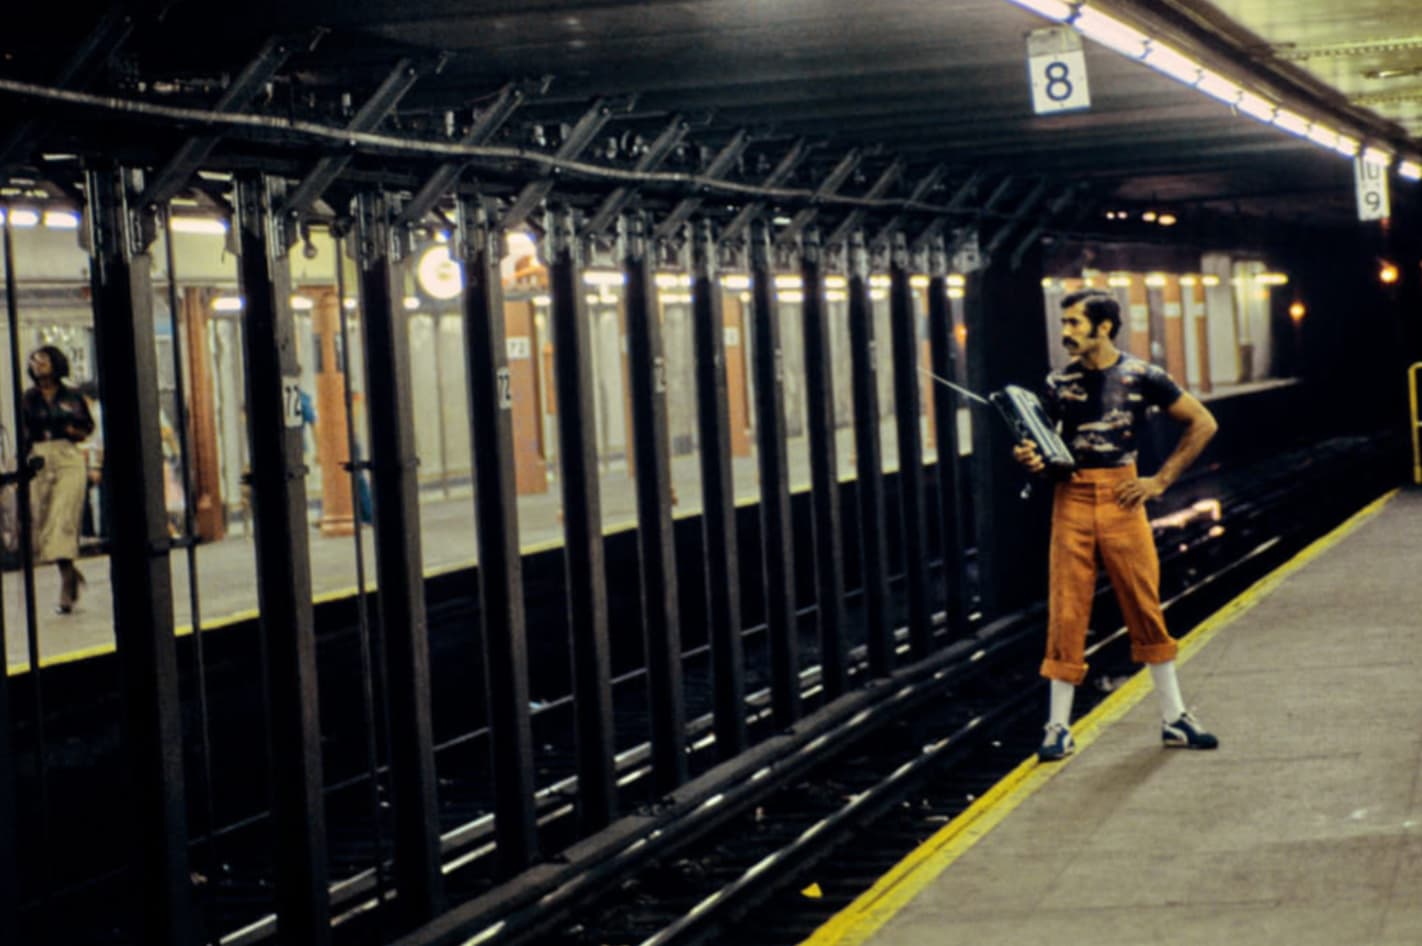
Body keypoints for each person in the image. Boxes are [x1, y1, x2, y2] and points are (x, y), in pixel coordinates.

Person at [1013, 290, 1220, 761]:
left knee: (1144, 604)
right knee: (1067, 609)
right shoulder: (1056, 383)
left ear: (1103, 327)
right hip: (1071, 498)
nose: (1065, 332)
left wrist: (1159, 481)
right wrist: (1030, 459)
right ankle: (1057, 728)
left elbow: (1203, 423)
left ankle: (1175, 718)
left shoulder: (1142, 375)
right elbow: (1044, 451)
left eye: (1074, 323)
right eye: (1063, 322)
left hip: (1124, 498)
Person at [21, 345, 96, 613]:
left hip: (67, 456)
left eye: (43, 359)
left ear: (55, 363)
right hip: (40, 456)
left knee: (62, 518)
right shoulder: (28, 399)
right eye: (34, 360)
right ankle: (71, 572)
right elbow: (23, 433)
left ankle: (66, 584)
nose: (38, 363)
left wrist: (72, 430)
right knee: (43, 524)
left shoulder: (72, 395)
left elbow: (88, 426)